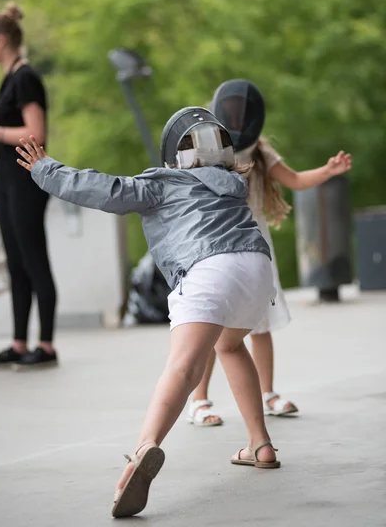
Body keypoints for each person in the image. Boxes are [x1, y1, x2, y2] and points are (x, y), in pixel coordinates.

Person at [16, 106, 282, 518]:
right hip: (258, 271)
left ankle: (144, 448)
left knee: (182, 369)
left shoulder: (164, 181)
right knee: (229, 346)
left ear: (174, 154)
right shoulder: (232, 183)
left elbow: (104, 189)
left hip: (210, 268)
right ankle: (260, 445)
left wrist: (46, 169)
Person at [188, 79, 352, 426]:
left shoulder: (261, 153)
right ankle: (198, 400)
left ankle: (267, 393)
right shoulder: (204, 149)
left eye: (242, 112)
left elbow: (294, 180)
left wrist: (328, 170)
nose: (236, 116)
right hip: (218, 246)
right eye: (230, 110)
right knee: (210, 326)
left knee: (259, 324)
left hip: (256, 248)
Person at [0, 2, 58, 369]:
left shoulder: (25, 77)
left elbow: (35, 132)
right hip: (9, 181)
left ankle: (45, 345)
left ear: (0, 40)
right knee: (16, 262)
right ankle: (19, 342)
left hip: (27, 180)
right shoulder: (10, 78)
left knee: (33, 260)